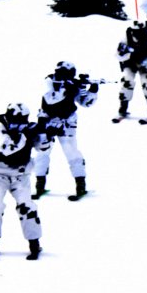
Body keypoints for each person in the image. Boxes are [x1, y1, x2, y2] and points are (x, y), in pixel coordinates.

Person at [0, 103, 43, 261]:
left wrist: (44, 134)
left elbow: (42, 147)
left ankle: (34, 242)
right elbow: (7, 149)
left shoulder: (26, 129)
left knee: (26, 205)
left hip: (20, 175)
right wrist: (26, 134)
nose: (18, 126)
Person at [32, 61, 99, 201]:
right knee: (42, 152)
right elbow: (51, 99)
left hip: (67, 122)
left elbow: (85, 102)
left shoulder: (71, 84)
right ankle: (39, 184)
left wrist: (92, 90)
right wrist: (70, 87)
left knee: (71, 152)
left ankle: (80, 185)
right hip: (47, 121)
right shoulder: (49, 81)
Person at [115, 21, 147, 121]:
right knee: (127, 81)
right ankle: (123, 107)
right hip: (129, 63)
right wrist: (128, 54)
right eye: (135, 31)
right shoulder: (126, 37)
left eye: (140, 31)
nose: (138, 34)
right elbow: (118, 54)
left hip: (144, 63)